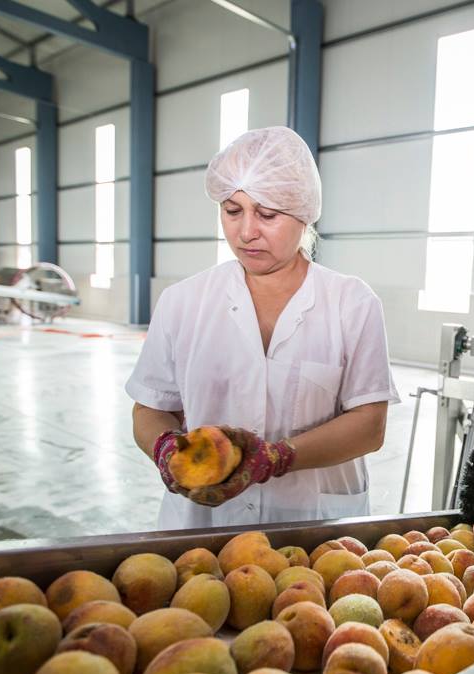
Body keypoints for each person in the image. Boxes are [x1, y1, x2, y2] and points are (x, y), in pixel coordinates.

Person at [126, 126, 399, 528]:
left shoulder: (352, 303)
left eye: (267, 214)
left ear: (303, 213)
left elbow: (369, 426)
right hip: (203, 527)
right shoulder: (183, 301)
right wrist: (164, 447)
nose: (246, 232)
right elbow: (150, 408)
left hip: (314, 530)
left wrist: (278, 457)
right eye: (232, 211)